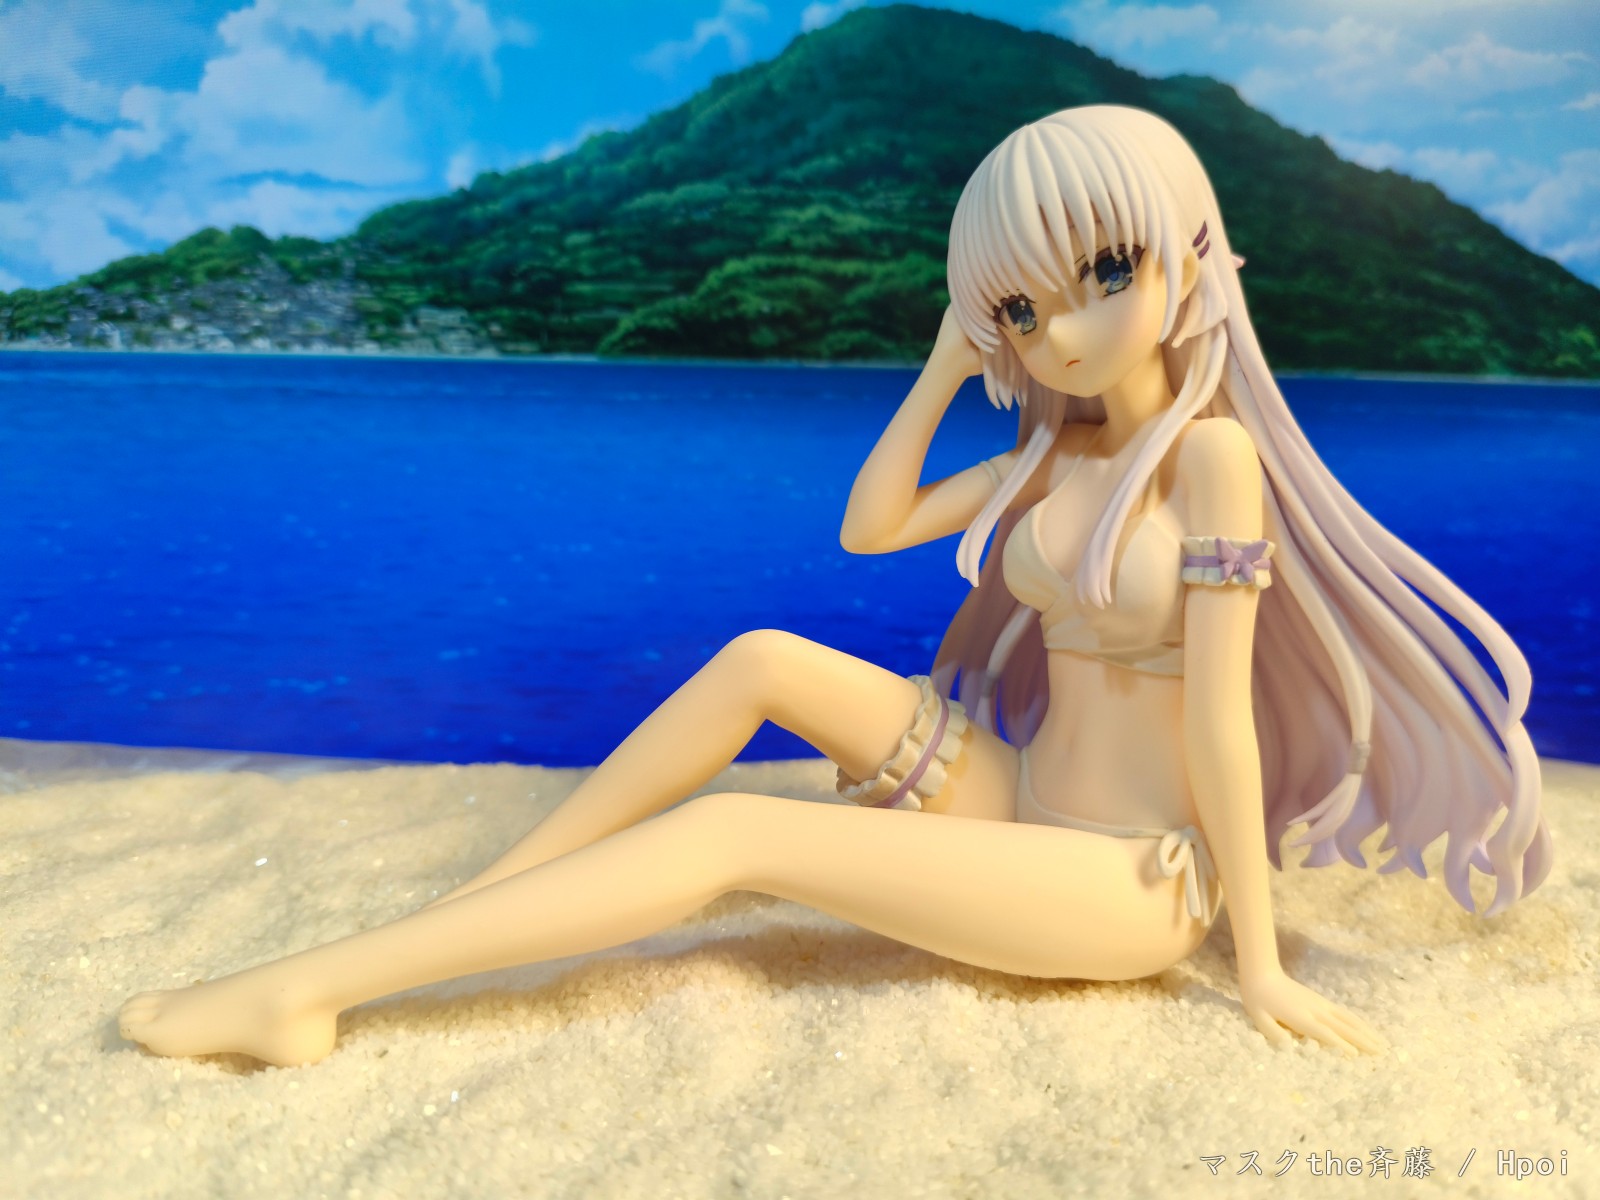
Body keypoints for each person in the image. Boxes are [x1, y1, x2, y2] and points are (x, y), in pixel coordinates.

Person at [120, 105, 1547, 1068]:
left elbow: (1222, 723)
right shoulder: (1052, 457)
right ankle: (475, 910)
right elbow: (872, 528)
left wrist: (1258, 958)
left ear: (1186, 258)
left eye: (1101, 273)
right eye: (1021, 307)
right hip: (1019, 797)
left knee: (738, 833)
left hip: (1122, 882)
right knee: (760, 656)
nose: (1058, 332)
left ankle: (307, 992)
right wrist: (943, 365)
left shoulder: (1214, 463)